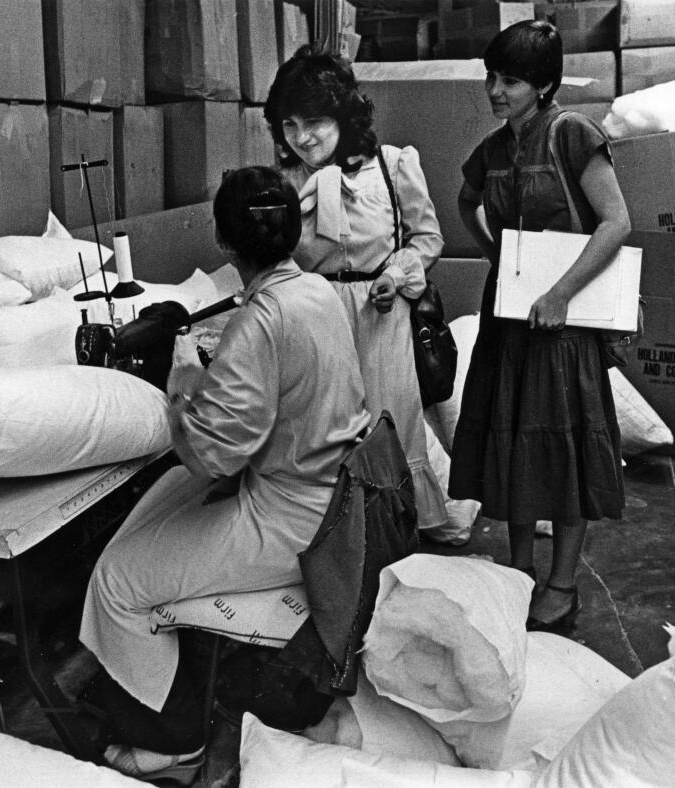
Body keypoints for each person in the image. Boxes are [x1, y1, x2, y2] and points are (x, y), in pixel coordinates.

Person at [79, 166, 370, 782]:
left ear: (224, 243)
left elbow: (216, 455)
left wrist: (182, 386)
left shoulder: (259, 321)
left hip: (290, 520)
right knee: (160, 514)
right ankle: (169, 692)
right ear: (293, 234)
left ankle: (170, 744)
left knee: (116, 579)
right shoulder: (318, 292)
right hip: (333, 497)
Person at [448, 20, 630, 635]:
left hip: (563, 328)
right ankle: (519, 573)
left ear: (545, 84)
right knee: (513, 446)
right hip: (511, 325)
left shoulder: (573, 135)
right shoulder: (494, 149)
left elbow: (615, 222)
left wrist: (559, 291)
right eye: (492, 78)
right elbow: (464, 201)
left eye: (512, 81)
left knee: (564, 450)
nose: (496, 91)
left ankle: (562, 585)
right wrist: (501, 257)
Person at [263, 47, 451, 539]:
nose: (301, 138)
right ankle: (335, 551)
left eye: (315, 122)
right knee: (320, 437)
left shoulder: (392, 167)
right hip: (315, 323)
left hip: (380, 319)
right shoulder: (281, 186)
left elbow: (427, 238)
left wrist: (397, 272)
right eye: (288, 125)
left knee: (388, 432)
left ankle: (396, 541)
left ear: (344, 117)